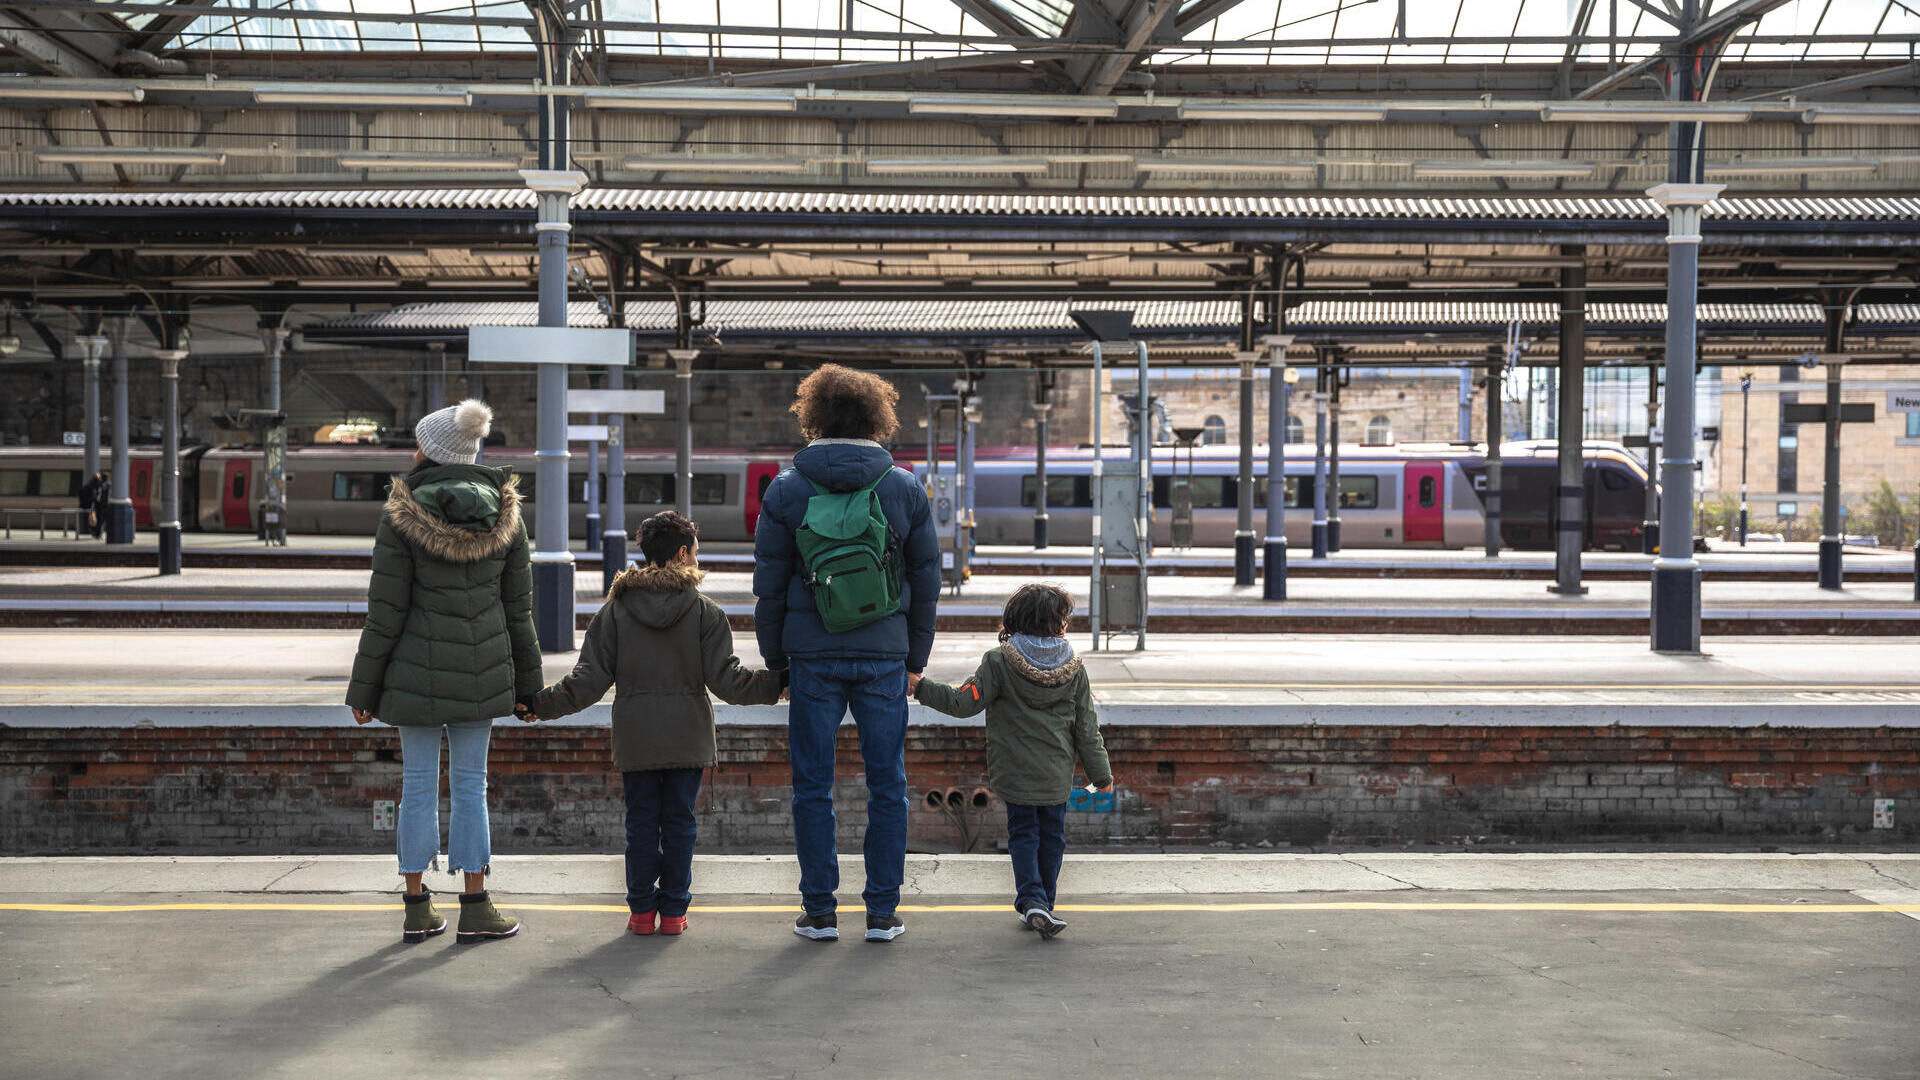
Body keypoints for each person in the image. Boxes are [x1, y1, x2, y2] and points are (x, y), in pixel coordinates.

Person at [519, 510, 784, 937]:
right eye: (696, 553)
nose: (698, 561)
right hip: (688, 738)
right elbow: (729, 682)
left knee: (641, 823)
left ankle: (642, 912)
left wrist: (540, 705)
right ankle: (675, 913)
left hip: (636, 737)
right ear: (682, 553)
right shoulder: (705, 613)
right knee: (679, 823)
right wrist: (778, 685)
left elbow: (586, 682)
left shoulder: (615, 612)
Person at [753, 364, 940, 943]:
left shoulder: (785, 488)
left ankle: (820, 912)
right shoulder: (904, 486)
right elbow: (926, 577)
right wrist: (915, 659)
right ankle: (882, 914)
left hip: (811, 659)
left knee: (813, 786)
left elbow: (768, 585)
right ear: (876, 418)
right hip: (885, 657)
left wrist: (776, 661)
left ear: (814, 417)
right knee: (888, 785)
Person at [345, 399, 539, 946]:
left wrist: (365, 690)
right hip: (482, 676)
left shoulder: (401, 516)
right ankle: (476, 906)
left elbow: (385, 613)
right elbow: (518, 613)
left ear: (429, 451)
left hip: (412, 677)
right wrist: (529, 691)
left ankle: (416, 907)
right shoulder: (508, 516)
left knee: (417, 787)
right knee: (472, 787)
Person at [913, 583, 1112, 939]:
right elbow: (1086, 729)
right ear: (1057, 623)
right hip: (1055, 776)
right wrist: (1102, 775)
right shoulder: (1074, 669)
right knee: (1052, 836)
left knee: (1023, 833)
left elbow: (963, 702)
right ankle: (1043, 902)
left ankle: (1033, 900)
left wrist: (921, 687)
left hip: (1015, 774)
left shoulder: (999, 662)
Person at [78, 470, 105, 539]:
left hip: (93, 506)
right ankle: (96, 533)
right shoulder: (95, 486)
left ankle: (96, 533)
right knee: (96, 520)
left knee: (95, 521)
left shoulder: (89, 486)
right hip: (93, 507)